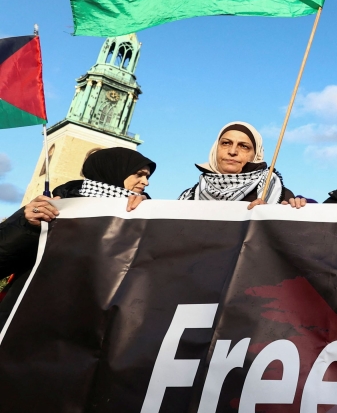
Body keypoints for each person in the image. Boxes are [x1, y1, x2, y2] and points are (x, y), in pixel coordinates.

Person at [0, 147, 157, 326]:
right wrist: (28, 227)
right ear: (112, 170)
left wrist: (144, 219)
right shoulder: (49, 207)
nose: (146, 182)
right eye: (139, 174)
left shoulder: (141, 212)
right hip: (28, 324)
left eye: (147, 176)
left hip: (91, 332)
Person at [179, 122, 306, 209]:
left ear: (256, 155)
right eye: (226, 143)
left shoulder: (279, 195)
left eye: (244, 146)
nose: (232, 151)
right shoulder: (189, 197)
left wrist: (287, 213)